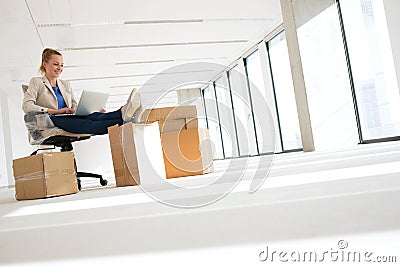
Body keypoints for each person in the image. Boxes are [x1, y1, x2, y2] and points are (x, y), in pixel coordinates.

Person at [22, 48, 143, 135]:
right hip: (51, 119)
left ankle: (124, 114)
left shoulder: (65, 84)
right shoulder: (36, 82)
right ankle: (125, 116)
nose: (60, 68)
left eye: (62, 65)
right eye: (56, 64)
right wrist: (55, 111)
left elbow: (74, 105)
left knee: (94, 116)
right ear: (45, 64)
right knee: (89, 124)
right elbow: (27, 106)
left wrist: (86, 110)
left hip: (68, 116)